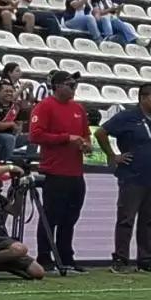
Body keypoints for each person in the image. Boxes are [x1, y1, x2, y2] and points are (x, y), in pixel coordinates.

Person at [98, 83, 151, 272]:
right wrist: (113, 155)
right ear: (142, 98)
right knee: (126, 219)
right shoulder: (127, 117)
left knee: (149, 220)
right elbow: (101, 132)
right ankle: (121, 260)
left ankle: (146, 261)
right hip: (132, 175)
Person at [29, 71, 90, 274]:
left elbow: (85, 134)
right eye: (70, 85)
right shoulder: (45, 106)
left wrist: (86, 145)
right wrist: (65, 138)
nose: (74, 88)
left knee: (70, 217)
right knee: (51, 216)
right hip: (54, 169)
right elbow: (35, 135)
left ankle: (66, 256)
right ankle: (44, 257)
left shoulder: (78, 109)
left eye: (75, 85)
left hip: (75, 170)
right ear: (57, 86)